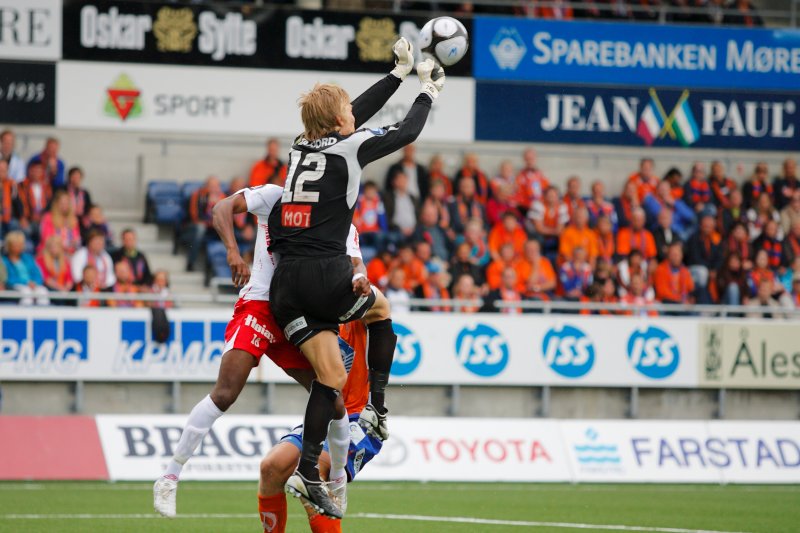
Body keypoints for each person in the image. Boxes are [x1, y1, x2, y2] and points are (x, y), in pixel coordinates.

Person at [264, 38, 438, 518]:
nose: (353, 116)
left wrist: (395, 75)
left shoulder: (302, 146)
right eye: (347, 113)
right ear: (342, 123)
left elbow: (345, 113)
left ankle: (309, 472)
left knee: (331, 375)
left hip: (286, 288)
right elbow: (404, 133)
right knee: (381, 308)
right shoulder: (352, 147)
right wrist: (426, 91)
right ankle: (378, 409)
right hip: (324, 275)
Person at [154, 182, 365, 518]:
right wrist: (233, 252)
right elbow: (221, 207)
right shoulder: (275, 196)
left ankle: (337, 482)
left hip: (296, 314)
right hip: (259, 307)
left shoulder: (342, 222)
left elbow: (355, 263)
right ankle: (170, 475)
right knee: (225, 393)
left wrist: (359, 279)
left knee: (333, 398)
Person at [257, 321, 383, 533]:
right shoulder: (303, 316)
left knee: (317, 472)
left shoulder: (357, 305)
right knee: (271, 467)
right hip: (326, 414)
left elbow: (379, 308)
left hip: (360, 418)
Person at [186, 176, 225, 271]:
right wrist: (209, 205)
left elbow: (226, 218)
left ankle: (220, 267)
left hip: (214, 227)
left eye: (216, 186)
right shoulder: (198, 195)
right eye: (211, 186)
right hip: (197, 225)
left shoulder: (223, 197)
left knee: (227, 230)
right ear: (206, 186)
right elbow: (195, 216)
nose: (214, 188)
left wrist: (216, 205)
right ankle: (191, 262)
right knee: (200, 228)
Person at [3, 231, 49, 305]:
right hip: (15, 286)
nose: (18, 247)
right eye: (16, 245)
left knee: (43, 291)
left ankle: (43, 315)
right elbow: (8, 278)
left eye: (20, 244)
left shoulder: (28, 258)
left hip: (32, 285)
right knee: (26, 292)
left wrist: (35, 282)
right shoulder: (4, 261)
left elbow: (37, 273)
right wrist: (26, 283)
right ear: (9, 246)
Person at [685, 215, 722, 304]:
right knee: (703, 272)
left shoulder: (717, 239)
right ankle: (702, 301)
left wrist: (715, 269)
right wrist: (709, 270)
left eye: (710, 227)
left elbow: (720, 257)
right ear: (701, 226)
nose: (707, 229)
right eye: (705, 226)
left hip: (711, 270)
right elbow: (695, 258)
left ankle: (716, 303)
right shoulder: (694, 238)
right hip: (694, 269)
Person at [38, 190, 81, 255]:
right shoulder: (48, 217)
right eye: (62, 203)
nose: (64, 206)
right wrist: (66, 244)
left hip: (70, 253)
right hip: (51, 252)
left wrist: (75, 242)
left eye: (67, 203)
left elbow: (77, 239)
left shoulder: (74, 219)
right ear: (56, 204)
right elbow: (47, 239)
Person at [383, 170, 420, 241]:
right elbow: (386, 217)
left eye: (404, 179)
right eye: (399, 179)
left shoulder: (413, 198)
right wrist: (400, 229)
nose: (402, 182)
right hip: (396, 231)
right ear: (394, 182)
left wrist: (414, 228)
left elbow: (418, 215)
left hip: (414, 231)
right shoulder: (388, 198)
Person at [514, 147, 549, 212]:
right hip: (524, 208)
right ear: (524, 159)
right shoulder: (519, 176)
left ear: (536, 158)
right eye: (527, 159)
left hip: (540, 207)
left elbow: (547, 191)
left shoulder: (542, 176)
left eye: (531, 158)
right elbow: (517, 193)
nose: (529, 161)